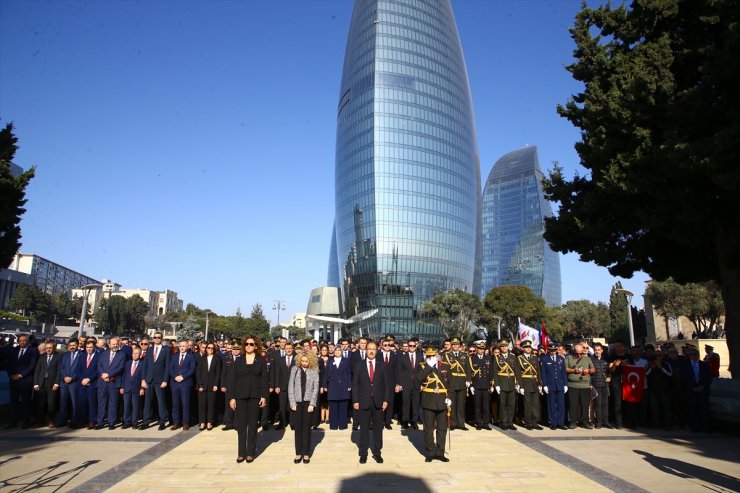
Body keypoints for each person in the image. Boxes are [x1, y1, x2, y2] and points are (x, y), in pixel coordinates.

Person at [227, 336, 268, 463]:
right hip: (240, 396)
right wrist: (232, 397)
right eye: (247, 344)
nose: (249, 346)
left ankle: (250, 452)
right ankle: (241, 453)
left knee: (252, 425)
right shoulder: (238, 361)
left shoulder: (261, 360)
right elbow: (232, 380)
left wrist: (264, 396)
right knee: (241, 426)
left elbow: (264, 380)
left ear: (256, 346)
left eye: (252, 344)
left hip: (255, 397)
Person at [352, 340, 393, 464]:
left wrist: (386, 400)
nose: (371, 351)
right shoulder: (359, 365)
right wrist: (355, 401)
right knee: (363, 429)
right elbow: (355, 385)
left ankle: (377, 452)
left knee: (377, 429)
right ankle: (363, 453)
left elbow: (387, 385)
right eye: (369, 349)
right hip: (363, 402)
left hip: (378, 402)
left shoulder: (382, 366)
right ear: (365, 350)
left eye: (373, 349)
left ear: (377, 350)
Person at [416, 346, 451, 462]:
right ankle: (430, 452)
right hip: (428, 400)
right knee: (428, 428)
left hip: (442, 400)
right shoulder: (422, 366)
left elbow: (450, 383)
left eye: (433, 355)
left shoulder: (445, 365)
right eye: (428, 355)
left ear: (437, 355)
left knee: (442, 428)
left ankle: (440, 452)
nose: (431, 357)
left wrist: (449, 398)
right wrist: (429, 366)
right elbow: (418, 379)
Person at [288, 350, 320, 464]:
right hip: (297, 402)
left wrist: (312, 403)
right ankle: (298, 453)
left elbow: (316, 388)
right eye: (302, 361)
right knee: (298, 429)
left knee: (307, 429)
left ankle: (306, 453)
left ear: (310, 361)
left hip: (308, 403)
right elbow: (290, 386)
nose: (304, 363)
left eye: (306, 361)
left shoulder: (314, 370)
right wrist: (292, 403)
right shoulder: (294, 370)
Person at [6, 334, 39, 429]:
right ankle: (13, 422)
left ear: (27, 341)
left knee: (25, 402)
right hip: (14, 381)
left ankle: (26, 422)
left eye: (24, 340)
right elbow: (9, 364)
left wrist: (20, 375)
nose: (22, 342)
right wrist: (11, 375)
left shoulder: (33, 351)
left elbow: (31, 366)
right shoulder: (14, 351)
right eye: (20, 340)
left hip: (25, 380)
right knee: (13, 402)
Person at [142, 332, 171, 430]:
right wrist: (143, 379)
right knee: (147, 402)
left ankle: (162, 421)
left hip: (160, 380)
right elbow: (145, 366)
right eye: (155, 337)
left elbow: (167, 366)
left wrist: (165, 380)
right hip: (149, 379)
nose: (157, 339)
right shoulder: (149, 350)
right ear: (152, 339)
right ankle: (146, 421)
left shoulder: (166, 350)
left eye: (158, 337)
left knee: (161, 401)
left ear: (161, 338)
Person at [96, 337, 126, 430]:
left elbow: (120, 368)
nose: (115, 345)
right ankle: (100, 422)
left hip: (114, 382)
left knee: (113, 403)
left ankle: (111, 422)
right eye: (113, 344)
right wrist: (103, 374)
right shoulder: (103, 354)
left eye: (116, 344)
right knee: (101, 403)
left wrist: (108, 374)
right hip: (102, 382)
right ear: (109, 345)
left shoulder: (122, 355)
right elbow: (99, 365)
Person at [441, 337, 471, 430]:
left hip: (462, 382)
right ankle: (452, 423)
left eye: (457, 344)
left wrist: (468, 380)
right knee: (452, 404)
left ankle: (461, 424)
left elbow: (468, 369)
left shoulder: (465, 355)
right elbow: (445, 370)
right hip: (452, 382)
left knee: (461, 404)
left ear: (460, 346)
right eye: (453, 344)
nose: (455, 346)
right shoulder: (447, 356)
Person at [680, 347, 712, 432]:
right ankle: (695, 427)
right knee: (693, 409)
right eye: (691, 354)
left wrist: (703, 386)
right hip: (691, 391)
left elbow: (708, 378)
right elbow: (684, 378)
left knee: (704, 409)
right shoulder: (685, 366)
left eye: (695, 354)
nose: (693, 356)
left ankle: (705, 427)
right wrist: (692, 387)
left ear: (698, 355)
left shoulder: (704, 365)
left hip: (702, 391)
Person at [565, 343, 595, 429]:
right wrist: (574, 370)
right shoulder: (569, 358)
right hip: (573, 385)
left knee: (585, 405)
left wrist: (588, 370)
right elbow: (565, 368)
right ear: (573, 351)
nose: (579, 355)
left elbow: (593, 370)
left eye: (581, 353)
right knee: (573, 404)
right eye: (577, 353)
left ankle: (584, 421)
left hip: (585, 386)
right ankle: (573, 422)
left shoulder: (587, 359)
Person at [170, 340, 196, 430]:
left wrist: (183, 377)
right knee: (175, 404)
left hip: (185, 383)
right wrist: (175, 377)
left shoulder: (191, 357)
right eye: (180, 346)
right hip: (175, 383)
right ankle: (176, 423)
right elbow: (170, 368)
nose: (181, 347)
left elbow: (192, 369)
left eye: (183, 346)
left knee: (185, 404)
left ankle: (185, 422)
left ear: (187, 347)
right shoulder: (174, 356)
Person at [33, 341, 61, 428]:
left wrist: (56, 383)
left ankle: (51, 421)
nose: (48, 349)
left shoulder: (58, 356)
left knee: (51, 404)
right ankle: (40, 421)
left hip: (52, 383)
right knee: (40, 404)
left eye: (50, 348)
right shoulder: (42, 356)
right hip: (42, 383)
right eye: (47, 348)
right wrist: (36, 383)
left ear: (54, 348)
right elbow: (37, 370)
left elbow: (59, 371)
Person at [517, 340, 543, 430]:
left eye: (529, 347)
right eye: (526, 347)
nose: (528, 349)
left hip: (534, 382)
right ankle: (528, 422)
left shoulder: (534, 358)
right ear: (523, 348)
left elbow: (538, 371)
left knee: (535, 403)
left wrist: (540, 383)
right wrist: (520, 386)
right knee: (527, 403)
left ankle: (535, 422)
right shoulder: (519, 358)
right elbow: (518, 373)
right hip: (525, 382)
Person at [324, 345, 352, 430]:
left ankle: (343, 425)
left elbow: (349, 374)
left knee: (343, 406)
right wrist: (325, 385)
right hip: (333, 386)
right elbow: (326, 374)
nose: (337, 352)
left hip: (343, 386)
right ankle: (334, 425)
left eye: (339, 350)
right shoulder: (330, 360)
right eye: (336, 350)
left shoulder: (346, 361)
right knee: (333, 406)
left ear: (341, 352)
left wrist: (349, 384)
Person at [494, 339, 519, 430]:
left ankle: (510, 422)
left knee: (511, 404)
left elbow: (517, 371)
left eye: (505, 346)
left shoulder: (513, 357)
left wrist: (518, 383)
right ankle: (503, 422)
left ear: (508, 346)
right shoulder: (497, 357)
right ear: (500, 347)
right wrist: (496, 385)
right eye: (502, 346)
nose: (504, 347)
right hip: (502, 383)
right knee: (502, 404)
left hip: (511, 383)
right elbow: (495, 372)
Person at [541, 344, 568, 430]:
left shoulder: (561, 359)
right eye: (551, 350)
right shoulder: (545, 359)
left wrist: (565, 384)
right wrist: (545, 385)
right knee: (551, 405)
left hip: (560, 385)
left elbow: (563, 372)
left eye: (554, 350)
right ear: (548, 350)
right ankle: (553, 423)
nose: (552, 352)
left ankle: (560, 422)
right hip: (550, 385)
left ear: (556, 350)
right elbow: (543, 374)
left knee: (561, 405)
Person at [398, 337, 423, 430]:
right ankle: (404, 422)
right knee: (405, 403)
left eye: (413, 345)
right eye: (410, 346)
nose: (412, 347)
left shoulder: (421, 356)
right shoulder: (403, 357)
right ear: (408, 346)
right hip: (406, 384)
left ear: (416, 346)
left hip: (417, 384)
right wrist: (399, 384)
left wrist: (422, 384)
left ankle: (414, 422)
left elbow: (422, 371)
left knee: (415, 404)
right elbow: (399, 371)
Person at [196, 342, 222, 431]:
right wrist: (199, 384)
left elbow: (218, 373)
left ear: (214, 349)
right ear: (205, 349)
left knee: (211, 405)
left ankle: (209, 423)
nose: (210, 349)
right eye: (208, 348)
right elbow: (198, 373)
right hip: (202, 386)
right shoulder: (202, 358)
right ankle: (202, 422)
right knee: (202, 405)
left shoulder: (217, 359)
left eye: (212, 348)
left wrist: (216, 384)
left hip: (212, 386)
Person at [469, 341, 493, 430]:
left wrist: (491, 383)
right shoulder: (472, 359)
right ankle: (478, 423)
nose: (481, 350)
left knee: (486, 406)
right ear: (476, 349)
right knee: (477, 406)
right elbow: (470, 372)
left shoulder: (488, 358)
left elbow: (491, 372)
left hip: (486, 385)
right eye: (479, 349)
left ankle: (486, 423)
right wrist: (471, 385)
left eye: (482, 349)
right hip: (476, 385)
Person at [271, 341, 295, 430]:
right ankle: (282, 423)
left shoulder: (297, 359)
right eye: (287, 348)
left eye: (290, 348)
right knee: (282, 406)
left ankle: (293, 423)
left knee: (292, 405)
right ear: (284, 349)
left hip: (293, 387)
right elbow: (277, 373)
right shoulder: (280, 360)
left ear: (292, 349)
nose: (288, 350)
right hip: (282, 387)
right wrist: (276, 386)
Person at [76, 339, 100, 429]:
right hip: (82, 383)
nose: (88, 349)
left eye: (90, 347)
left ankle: (92, 421)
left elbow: (98, 370)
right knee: (82, 403)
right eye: (87, 347)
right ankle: (82, 420)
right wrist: (82, 379)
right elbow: (78, 370)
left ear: (94, 347)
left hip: (92, 384)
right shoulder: (82, 356)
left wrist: (89, 379)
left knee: (92, 403)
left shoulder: (98, 357)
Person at [57, 338, 80, 428]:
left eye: (74, 345)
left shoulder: (81, 355)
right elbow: (61, 367)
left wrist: (72, 377)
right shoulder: (65, 355)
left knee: (75, 403)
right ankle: (63, 420)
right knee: (63, 403)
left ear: (77, 345)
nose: (72, 347)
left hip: (74, 382)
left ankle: (75, 420)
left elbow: (80, 369)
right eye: (70, 346)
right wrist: (65, 377)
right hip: (64, 382)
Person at [121, 345, 145, 429]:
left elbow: (143, 377)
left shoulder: (142, 364)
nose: (135, 355)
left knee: (135, 406)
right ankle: (126, 422)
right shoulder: (128, 363)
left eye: (137, 353)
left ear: (140, 354)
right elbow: (124, 375)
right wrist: (122, 387)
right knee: (126, 406)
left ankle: (134, 422)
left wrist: (142, 388)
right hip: (127, 387)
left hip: (136, 388)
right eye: (133, 353)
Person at [590, 342, 611, 429]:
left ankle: (606, 422)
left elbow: (609, 371)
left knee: (605, 404)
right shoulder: (591, 359)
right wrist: (590, 384)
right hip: (596, 385)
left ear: (602, 350)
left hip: (605, 385)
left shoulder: (606, 360)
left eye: (599, 350)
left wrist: (609, 377)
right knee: (598, 404)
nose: (597, 351)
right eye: (595, 350)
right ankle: (599, 422)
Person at [221, 341, 240, 431]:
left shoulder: (243, 359)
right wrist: (222, 385)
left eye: (237, 349)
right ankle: (229, 423)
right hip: (228, 385)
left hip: (239, 386)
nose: (235, 351)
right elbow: (223, 373)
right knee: (228, 405)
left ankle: (237, 423)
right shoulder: (227, 358)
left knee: (238, 405)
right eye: (234, 349)